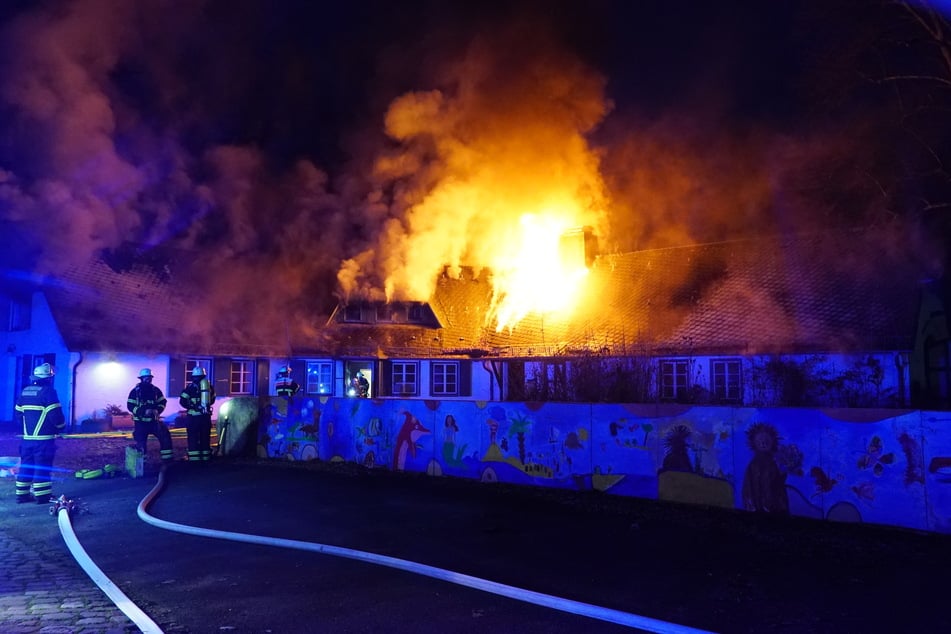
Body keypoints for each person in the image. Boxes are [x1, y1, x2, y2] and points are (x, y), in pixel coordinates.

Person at [14, 362, 65, 504]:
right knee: (42, 467)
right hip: (43, 440)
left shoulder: (24, 392)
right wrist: (61, 427)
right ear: (49, 378)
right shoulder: (48, 392)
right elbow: (55, 415)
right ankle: (43, 496)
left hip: (26, 440)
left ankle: (22, 496)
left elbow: (18, 414)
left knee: (26, 466)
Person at [127, 368, 171, 462]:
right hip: (140, 423)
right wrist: (143, 411)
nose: (148, 379)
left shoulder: (156, 391)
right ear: (141, 378)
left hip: (154, 422)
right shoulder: (135, 392)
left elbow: (162, 402)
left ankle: (167, 460)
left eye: (150, 377)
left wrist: (158, 410)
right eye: (146, 378)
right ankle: (142, 463)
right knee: (141, 442)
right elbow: (130, 406)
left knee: (165, 436)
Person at [179, 366, 216, 462]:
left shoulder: (190, 388)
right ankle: (206, 459)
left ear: (193, 377)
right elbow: (212, 400)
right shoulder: (209, 387)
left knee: (193, 438)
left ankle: (194, 460)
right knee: (205, 437)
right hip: (205, 417)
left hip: (193, 419)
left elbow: (182, 401)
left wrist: (193, 406)